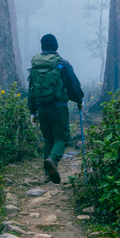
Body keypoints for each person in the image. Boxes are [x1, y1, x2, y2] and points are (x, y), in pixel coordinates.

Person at [28, 33, 84, 184]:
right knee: (62, 138)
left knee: (48, 140)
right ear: (56, 46)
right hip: (58, 108)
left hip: (41, 108)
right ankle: (52, 160)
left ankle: (47, 175)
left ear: (42, 47)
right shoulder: (62, 64)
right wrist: (79, 99)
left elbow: (31, 89)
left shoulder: (36, 65)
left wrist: (33, 111)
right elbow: (73, 85)